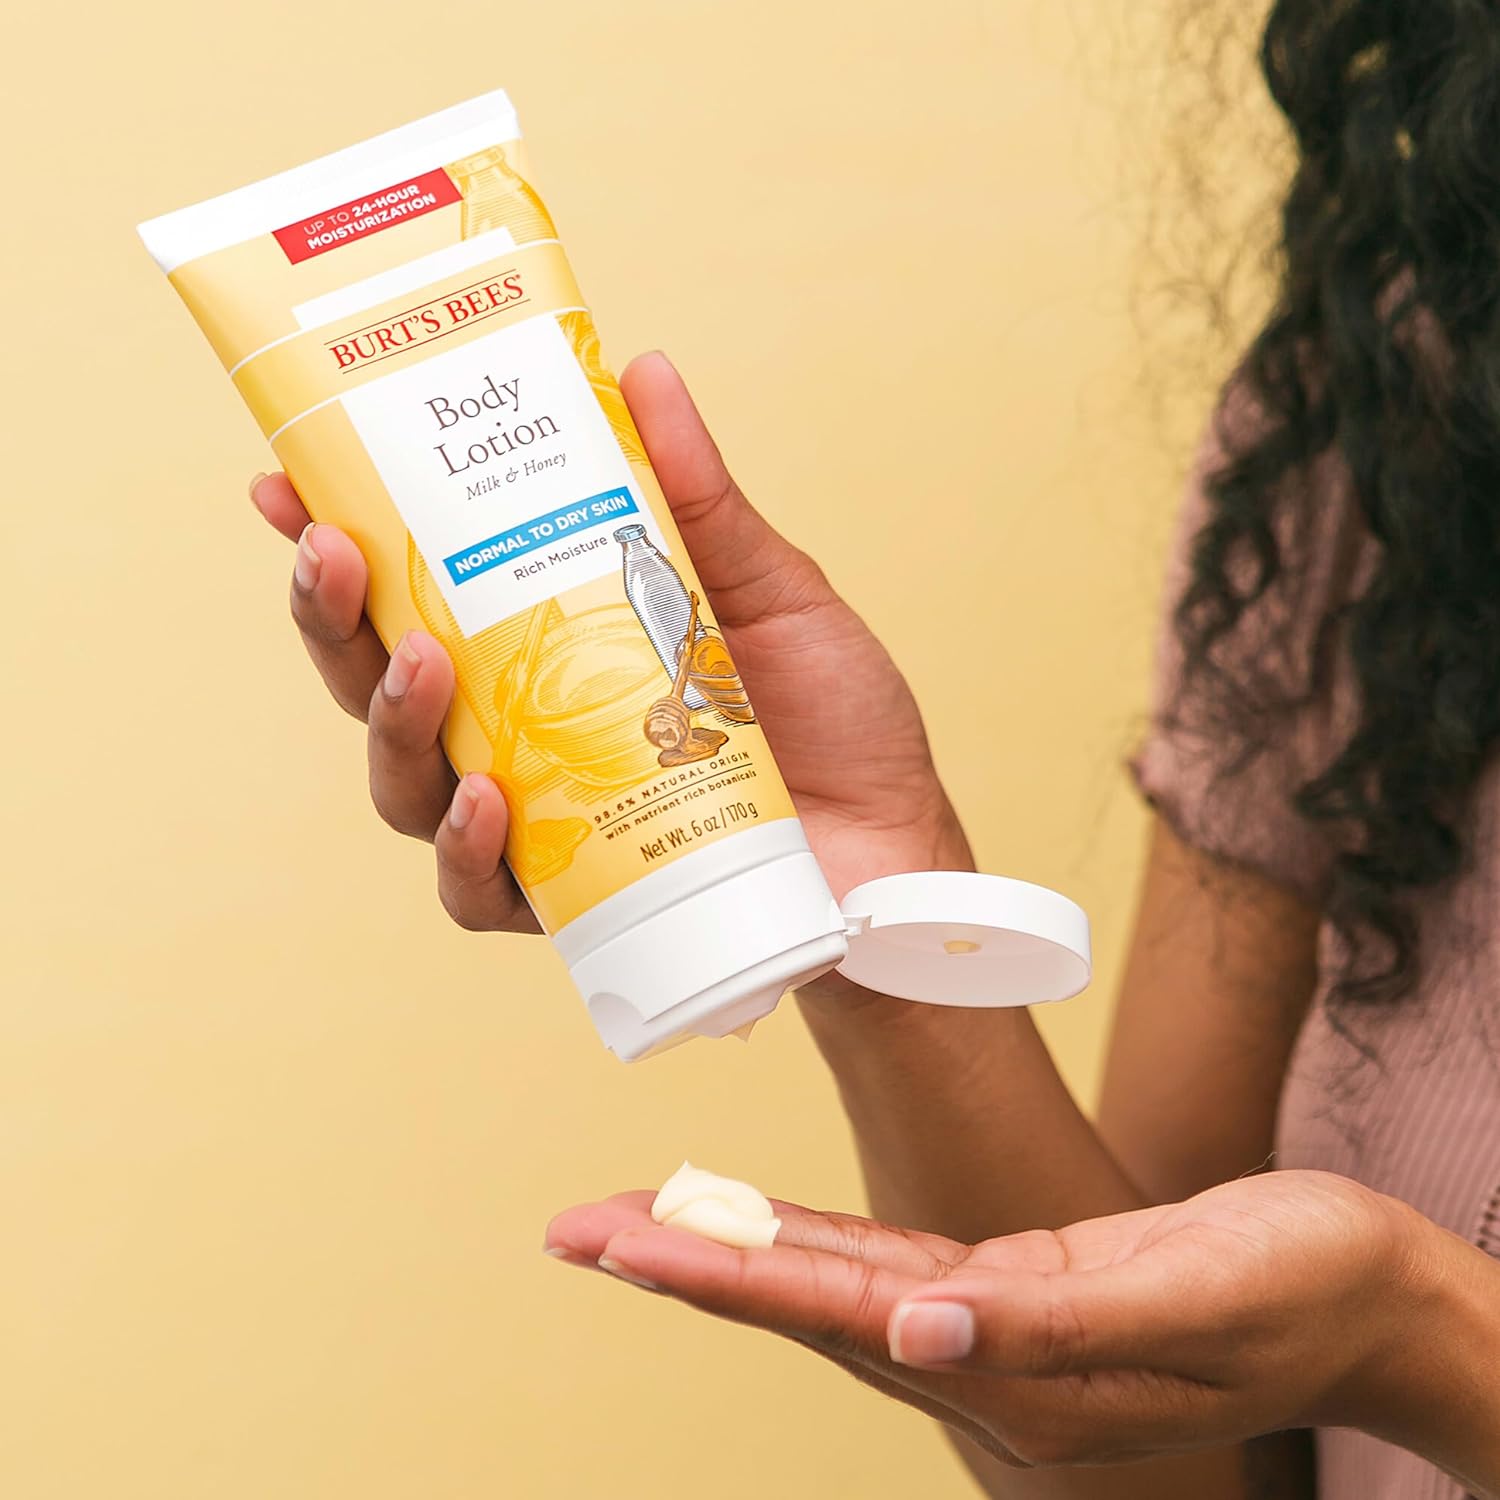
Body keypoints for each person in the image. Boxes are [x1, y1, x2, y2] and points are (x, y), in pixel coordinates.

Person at [246, 5, 1500, 1495]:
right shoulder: (1399, 415)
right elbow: (1175, 1458)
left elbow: (1357, 1340)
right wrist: (865, 897)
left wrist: (1425, 1341)